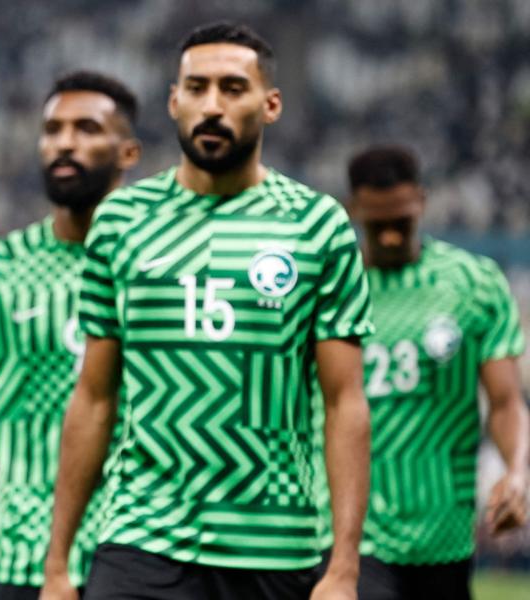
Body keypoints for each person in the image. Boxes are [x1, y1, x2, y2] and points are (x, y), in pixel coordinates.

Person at [41, 22, 374, 600]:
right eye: (196, 88)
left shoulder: (317, 225)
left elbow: (345, 401)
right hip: (141, 538)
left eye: (233, 87)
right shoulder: (122, 221)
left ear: (270, 104)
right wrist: (57, 564)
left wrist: (344, 566)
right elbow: (93, 397)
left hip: (276, 543)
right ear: (174, 101)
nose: (212, 105)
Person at [0, 71, 142, 600]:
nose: (64, 142)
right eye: (52, 128)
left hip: (132, 550)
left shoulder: (154, 264)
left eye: (86, 128)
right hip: (21, 555)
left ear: (128, 152)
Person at [345, 145, 529, 600]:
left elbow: (506, 402)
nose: (389, 236)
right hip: (355, 532)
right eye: (377, 224)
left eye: (401, 223)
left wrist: (518, 471)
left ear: (422, 202)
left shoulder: (474, 283)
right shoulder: (335, 289)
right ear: (354, 208)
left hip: (446, 533)